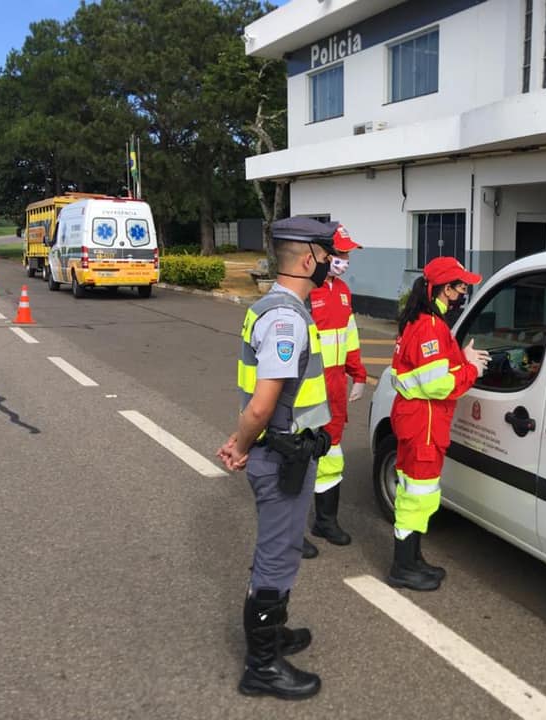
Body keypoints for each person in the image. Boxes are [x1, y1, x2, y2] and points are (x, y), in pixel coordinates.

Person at [216, 216, 335, 700]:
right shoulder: (286, 318)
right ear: (308, 259)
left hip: (281, 450)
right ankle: (262, 667)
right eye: (327, 256)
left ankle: (275, 634)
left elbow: (260, 399)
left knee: (279, 552)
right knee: (276, 557)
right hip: (281, 456)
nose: (331, 263)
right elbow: (263, 404)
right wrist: (241, 444)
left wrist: (239, 437)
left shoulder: (272, 308)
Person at [387, 256, 490, 591]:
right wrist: (471, 368)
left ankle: (412, 559)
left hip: (418, 421)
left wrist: (461, 357)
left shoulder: (426, 322)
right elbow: (436, 383)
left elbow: (430, 368)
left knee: (417, 493)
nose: (463, 293)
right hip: (424, 424)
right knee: (416, 496)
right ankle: (403, 567)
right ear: (445, 290)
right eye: (461, 287)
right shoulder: (431, 326)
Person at [302, 222, 367, 558]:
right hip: (306, 389)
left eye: (347, 254)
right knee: (299, 455)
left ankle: (325, 521)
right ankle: (290, 531)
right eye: (340, 253)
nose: (345, 259)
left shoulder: (342, 290)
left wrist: (358, 374)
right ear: (323, 254)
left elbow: (350, 337)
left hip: (335, 387)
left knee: (332, 454)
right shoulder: (304, 292)